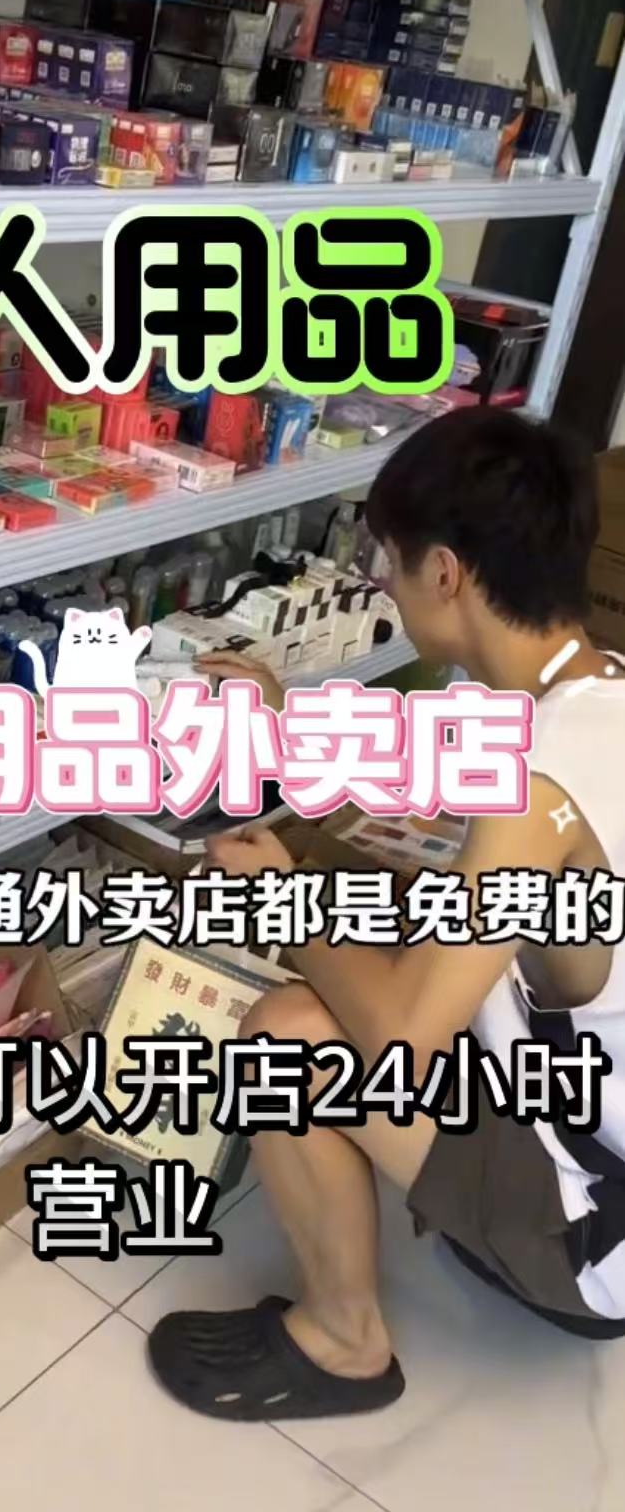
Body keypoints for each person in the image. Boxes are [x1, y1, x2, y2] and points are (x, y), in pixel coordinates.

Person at [148, 406, 625, 1423]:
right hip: (589, 1111)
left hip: (599, 1231)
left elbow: (404, 1041)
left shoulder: (540, 782)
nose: (384, 586)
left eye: (391, 565)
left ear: (444, 573)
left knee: (286, 1033)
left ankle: (344, 1342)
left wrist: (278, 903)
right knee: (378, 932)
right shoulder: (591, 693)